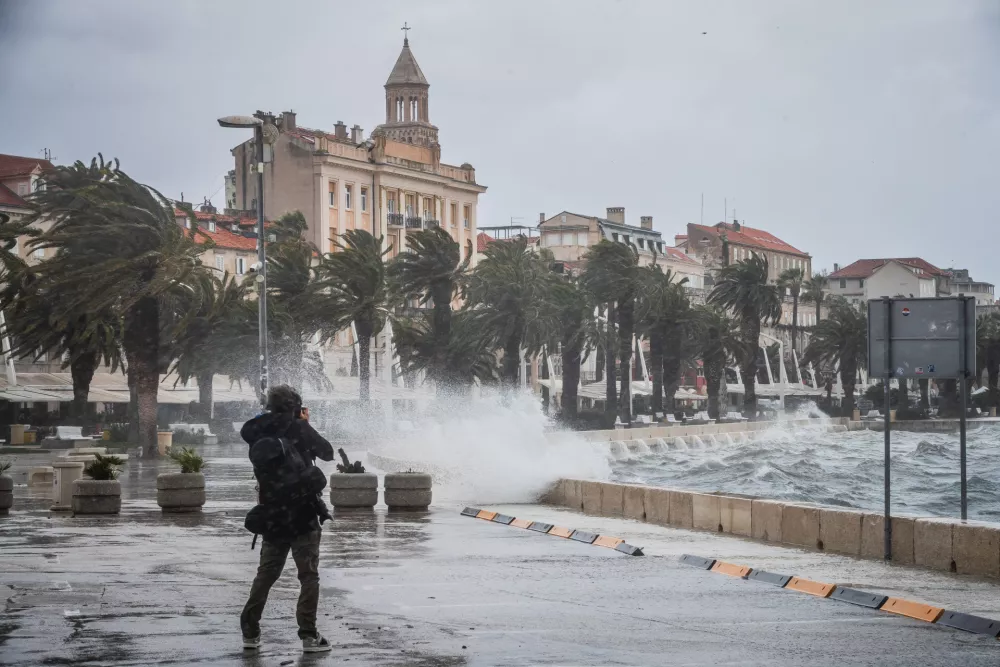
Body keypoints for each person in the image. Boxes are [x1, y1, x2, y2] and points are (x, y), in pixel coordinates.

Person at [239, 385, 334, 653]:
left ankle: (250, 632)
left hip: (272, 515)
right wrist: (305, 424)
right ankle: (309, 636)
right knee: (309, 576)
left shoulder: (258, 430)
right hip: (303, 514)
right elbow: (327, 452)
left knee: (266, 574)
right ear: (295, 406)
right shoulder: (298, 427)